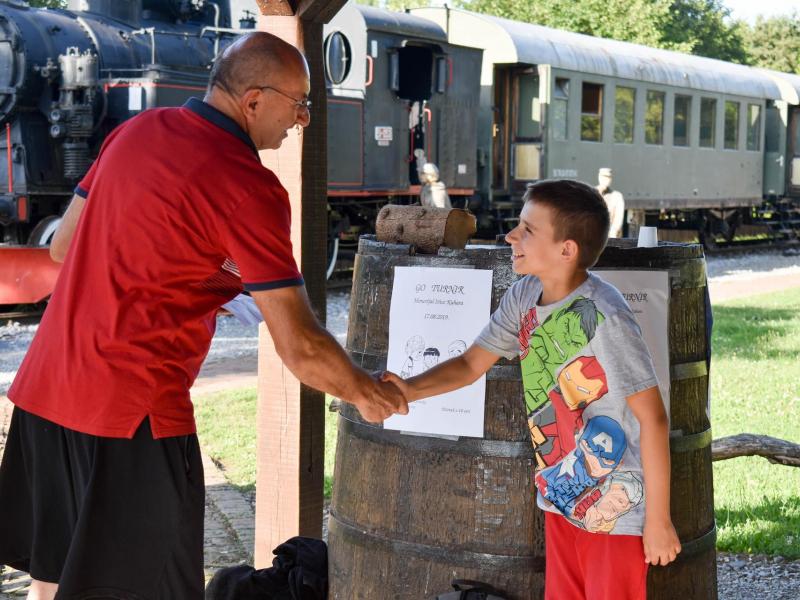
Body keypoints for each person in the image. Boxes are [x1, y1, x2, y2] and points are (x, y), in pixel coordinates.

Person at [0, 32, 408, 600]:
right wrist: (367, 392)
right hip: (132, 410)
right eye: (300, 104)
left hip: (46, 389)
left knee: (55, 575)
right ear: (256, 100)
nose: (303, 120)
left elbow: (64, 247)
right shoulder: (248, 185)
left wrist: (195, 276)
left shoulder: (135, 131)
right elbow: (301, 344)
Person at [383, 179, 680, 600]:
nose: (510, 235)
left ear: (567, 250)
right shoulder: (524, 296)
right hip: (561, 496)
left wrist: (658, 519)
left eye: (527, 229)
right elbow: (470, 364)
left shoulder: (605, 315)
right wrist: (406, 391)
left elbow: (653, 418)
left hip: (618, 511)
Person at [597, 167, 625, 238]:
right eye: (604, 177)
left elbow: (618, 218)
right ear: (599, 177)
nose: (606, 180)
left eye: (608, 178)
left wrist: (613, 232)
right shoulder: (592, 193)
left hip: (610, 235)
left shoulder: (617, 196)